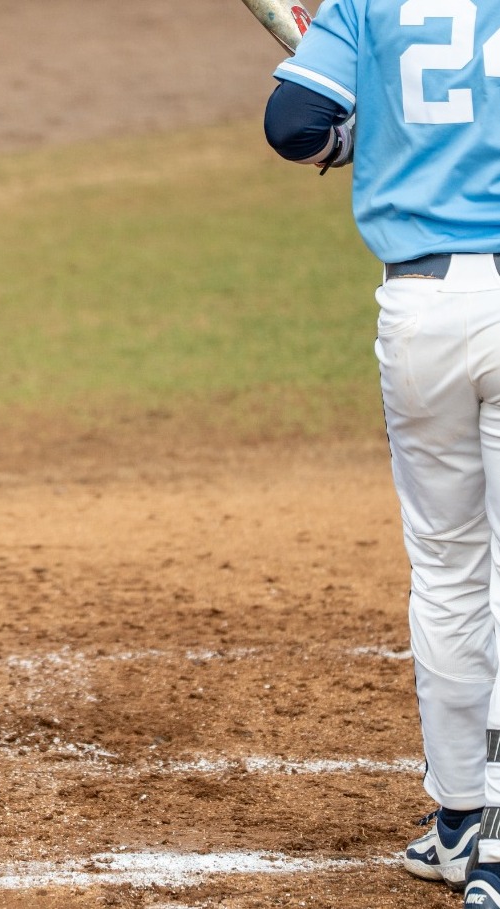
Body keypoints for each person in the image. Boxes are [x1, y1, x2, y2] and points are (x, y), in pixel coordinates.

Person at [264, 5, 500, 907]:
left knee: (444, 568)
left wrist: (365, 133)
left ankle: (456, 821)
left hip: (422, 316)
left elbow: (294, 127)